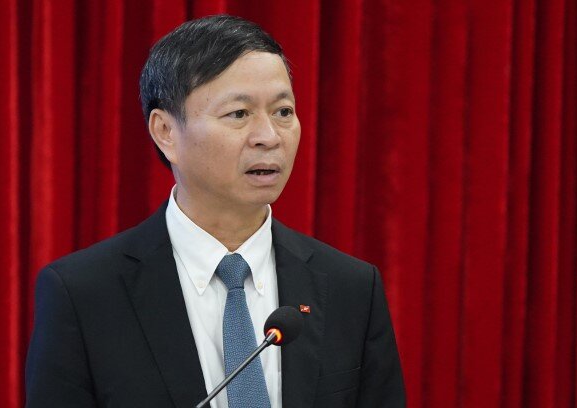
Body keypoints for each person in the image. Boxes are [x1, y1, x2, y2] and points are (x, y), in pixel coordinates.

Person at [25, 15, 405, 408]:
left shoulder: (351, 289)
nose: (269, 137)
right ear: (165, 132)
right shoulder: (84, 294)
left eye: (283, 112)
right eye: (239, 114)